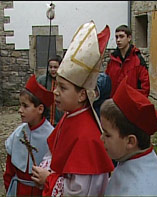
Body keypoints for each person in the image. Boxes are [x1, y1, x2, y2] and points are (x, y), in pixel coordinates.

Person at [31, 21, 114, 196]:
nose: (55, 92)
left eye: (63, 88)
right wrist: (46, 168)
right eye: (56, 86)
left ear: (82, 95)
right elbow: (54, 152)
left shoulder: (87, 136)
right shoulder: (69, 117)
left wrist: (48, 180)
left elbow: (81, 190)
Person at [100, 77, 157, 196]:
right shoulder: (136, 156)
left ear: (130, 141)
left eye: (107, 134)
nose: (101, 138)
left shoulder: (138, 191)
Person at [3, 74, 54, 196]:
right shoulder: (18, 133)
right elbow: (9, 171)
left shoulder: (51, 135)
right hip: (18, 190)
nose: (20, 110)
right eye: (20, 105)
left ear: (40, 109)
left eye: (25, 106)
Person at [105, 24, 150, 97]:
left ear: (129, 38)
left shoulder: (138, 60)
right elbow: (106, 83)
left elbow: (144, 87)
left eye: (121, 36)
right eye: (116, 37)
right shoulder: (112, 60)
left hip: (131, 103)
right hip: (114, 102)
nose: (118, 40)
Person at [37, 55, 64, 127]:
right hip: (45, 121)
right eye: (50, 67)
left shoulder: (64, 81)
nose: (52, 69)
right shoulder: (42, 80)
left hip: (59, 121)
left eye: (55, 67)